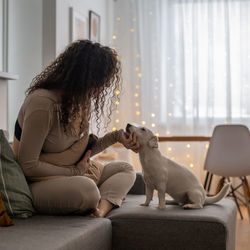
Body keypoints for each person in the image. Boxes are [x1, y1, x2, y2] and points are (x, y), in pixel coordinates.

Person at [12, 40, 140, 217]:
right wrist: (74, 171)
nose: (102, 88)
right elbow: (28, 166)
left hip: (70, 173)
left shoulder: (81, 100)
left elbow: (80, 153)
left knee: (126, 169)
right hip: (37, 183)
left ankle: (100, 210)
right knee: (86, 190)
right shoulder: (42, 104)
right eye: (100, 81)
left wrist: (118, 137)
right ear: (83, 77)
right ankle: (102, 197)